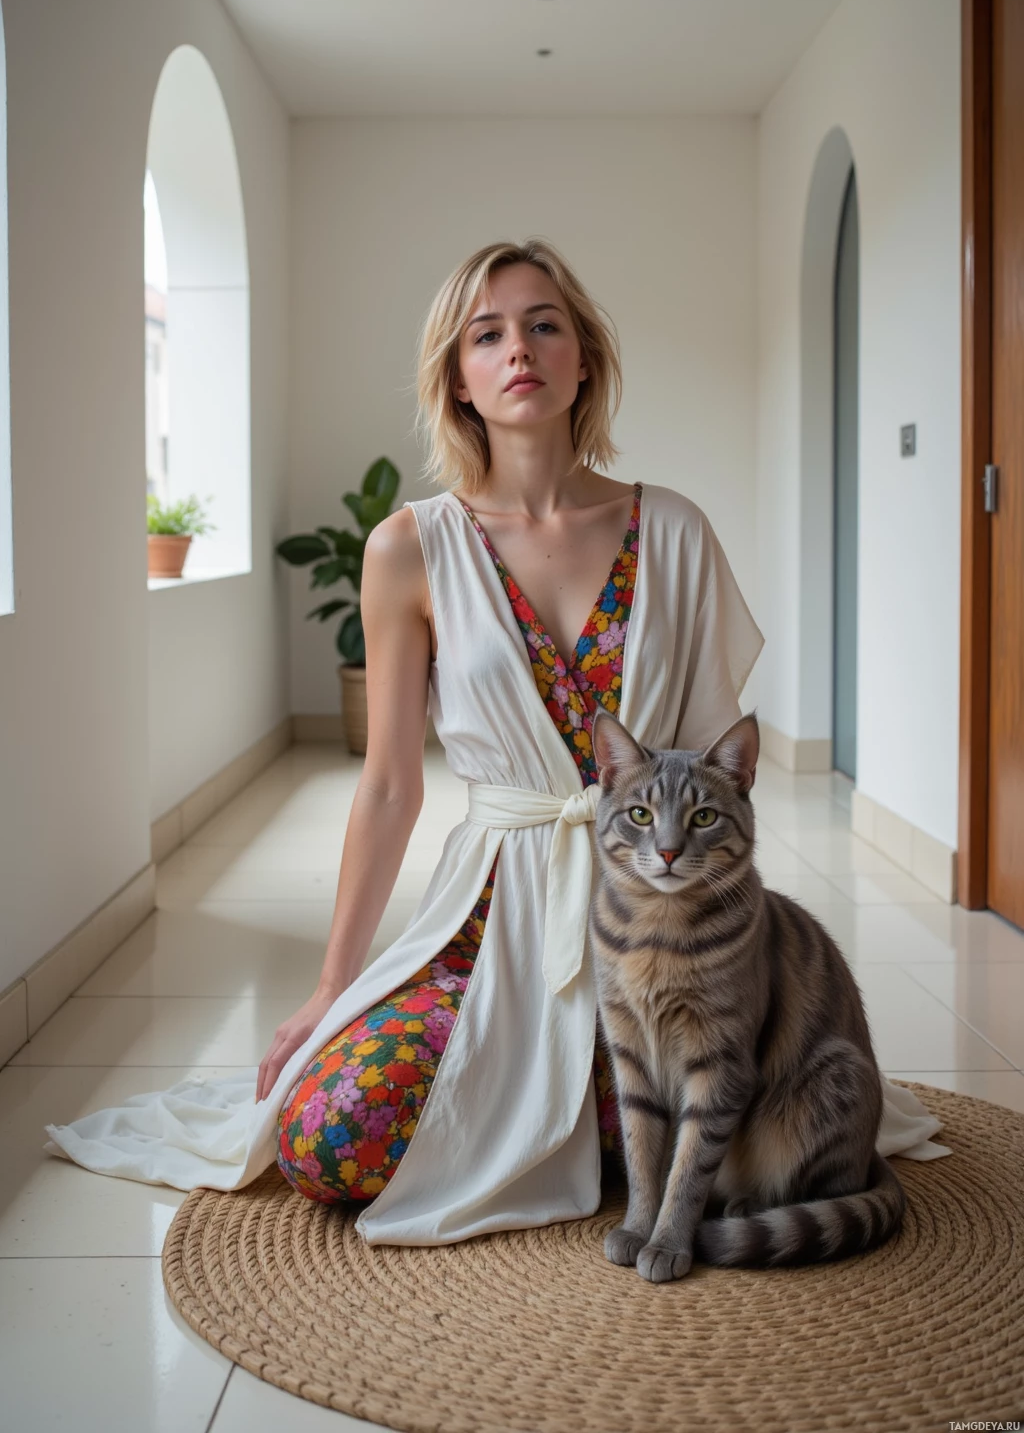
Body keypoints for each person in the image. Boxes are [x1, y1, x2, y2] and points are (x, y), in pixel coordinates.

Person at [44, 238, 949, 1235]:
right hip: (493, 922)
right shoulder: (408, 549)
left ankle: (631, 1128)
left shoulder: (676, 530)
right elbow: (390, 786)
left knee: (707, 1084)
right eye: (487, 333)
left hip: (661, 943)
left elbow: (710, 780)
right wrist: (330, 987)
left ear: (584, 359)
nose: (518, 346)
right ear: (460, 378)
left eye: (544, 323)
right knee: (327, 1133)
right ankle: (603, 1125)